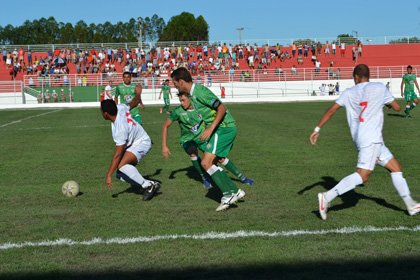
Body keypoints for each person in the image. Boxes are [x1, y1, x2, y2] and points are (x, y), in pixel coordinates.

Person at [310, 64, 420, 220]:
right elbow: (397, 107)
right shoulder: (379, 87)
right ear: (368, 75)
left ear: (356, 77)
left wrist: (317, 129)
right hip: (372, 139)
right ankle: (326, 197)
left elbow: (331, 110)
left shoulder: (348, 92)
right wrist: (386, 103)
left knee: (395, 167)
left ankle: (410, 205)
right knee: (362, 176)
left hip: (365, 139)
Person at [171, 67, 253, 211]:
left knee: (205, 162)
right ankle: (234, 191)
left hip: (224, 128)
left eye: (175, 83)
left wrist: (210, 128)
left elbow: (222, 108)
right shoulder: (192, 94)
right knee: (212, 161)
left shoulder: (199, 92)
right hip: (219, 129)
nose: (175, 86)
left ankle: (229, 194)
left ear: (182, 81)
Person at [100, 99, 160, 201]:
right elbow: (132, 104)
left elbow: (117, 155)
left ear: (106, 114)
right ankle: (143, 186)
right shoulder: (120, 107)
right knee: (120, 174)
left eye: (101, 110)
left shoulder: (120, 129)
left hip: (142, 142)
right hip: (134, 143)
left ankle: (149, 185)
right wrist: (138, 95)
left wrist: (108, 175)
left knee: (121, 165)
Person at [162, 91, 213, 189]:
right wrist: (164, 146)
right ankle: (204, 178)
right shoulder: (178, 111)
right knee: (193, 153)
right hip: (187, 140)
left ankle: (241, 177)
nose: (181, 103)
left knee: (217, 157)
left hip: (200, 137)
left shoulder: (199, 107)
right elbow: (165, 126)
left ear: (190, 98)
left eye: (183, 100)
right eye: (180, 101)